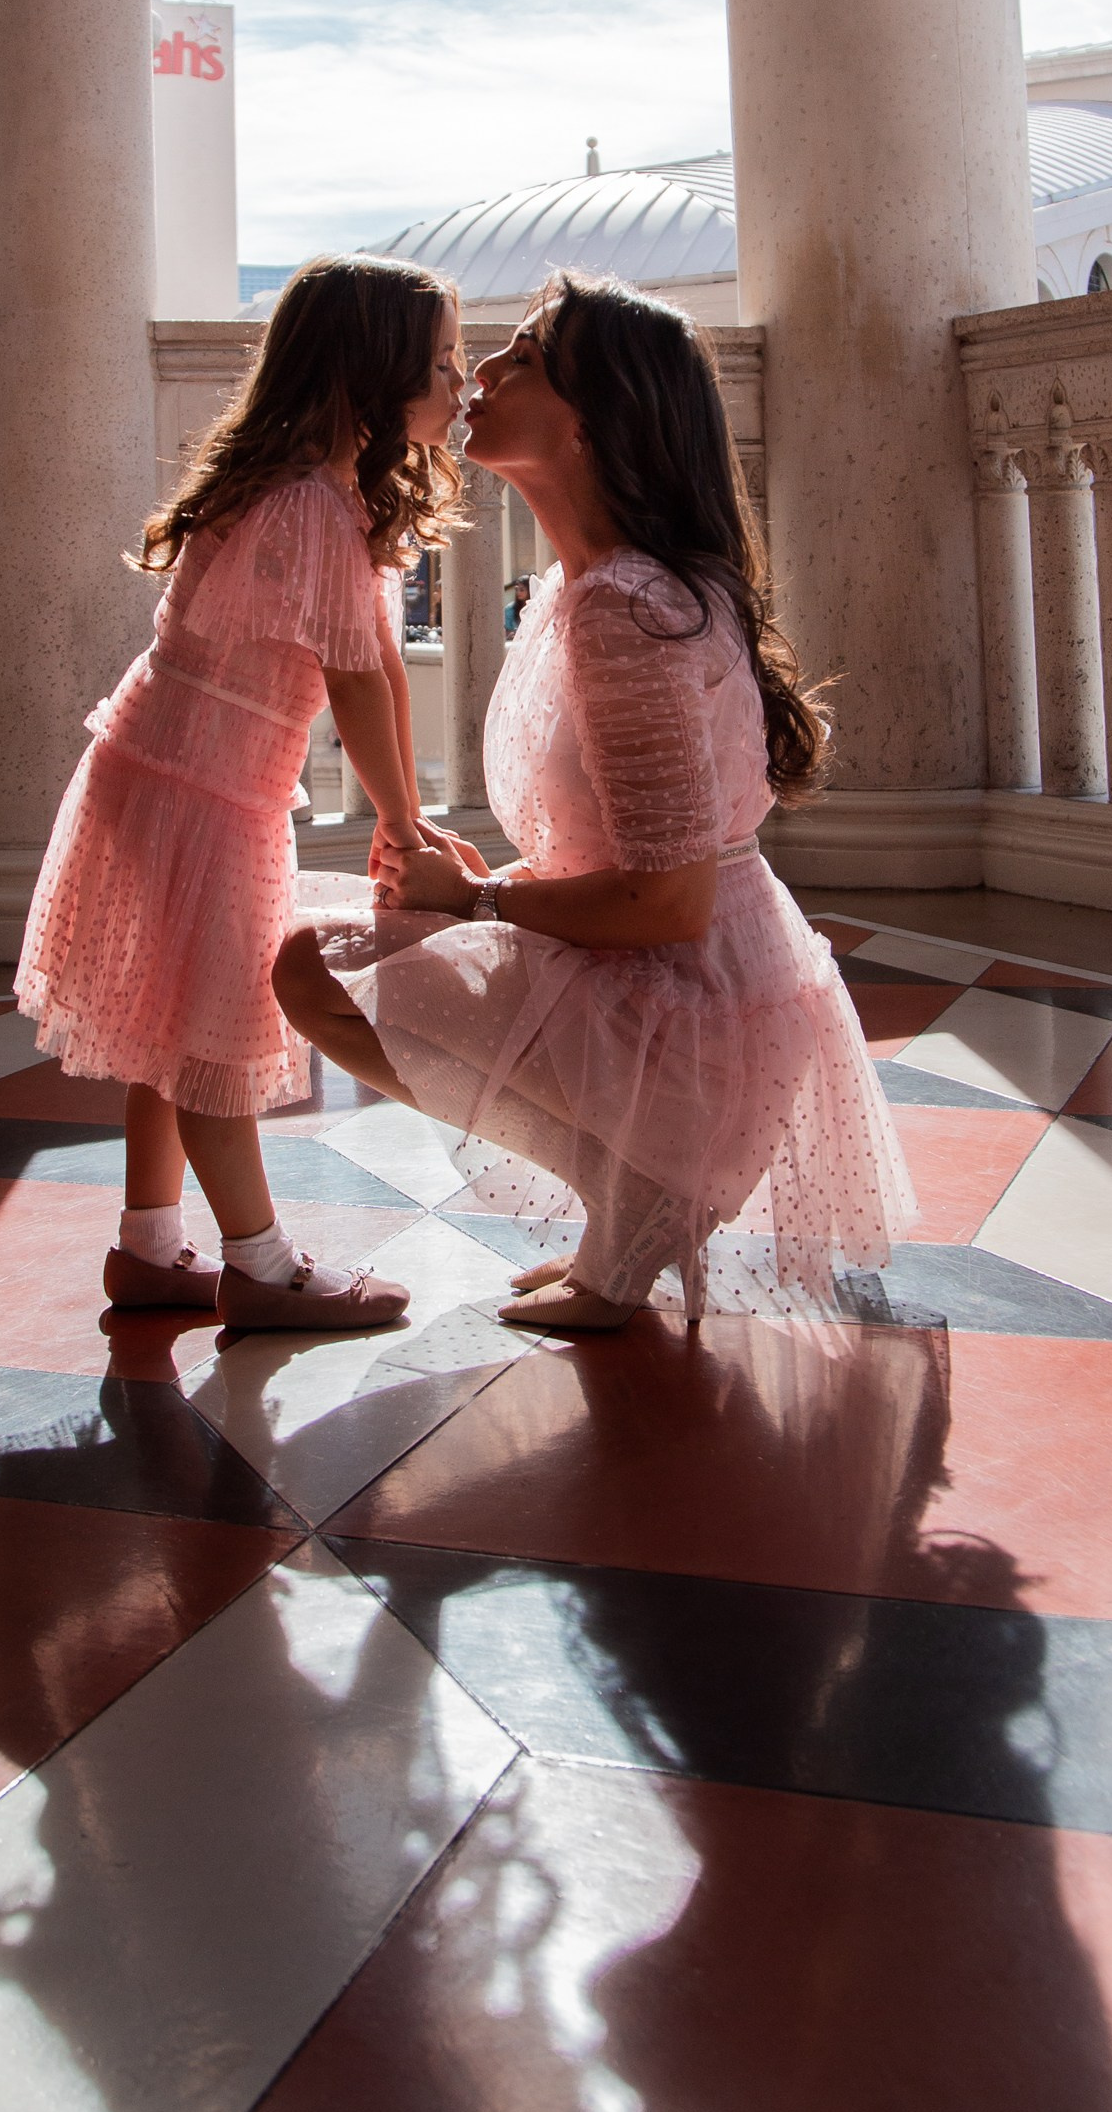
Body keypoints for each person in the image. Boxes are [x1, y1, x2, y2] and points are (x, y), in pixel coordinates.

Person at [273, 272, 914, 1333]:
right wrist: (487, 888)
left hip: (689, 1012)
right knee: (358, 934)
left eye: (522, 359)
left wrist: (477, 907)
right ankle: (632, 1198)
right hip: (682, 983)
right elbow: (627, 851)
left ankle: (650, 1191)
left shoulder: (624, 608)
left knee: (309, 964)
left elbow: (667, 906)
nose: (479, 372)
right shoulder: (594, 590)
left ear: (591, 422)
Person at [16, 256, 464, 1331]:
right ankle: (259, 1268)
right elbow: (355, 681)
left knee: (171, 1022)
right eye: (441, 362)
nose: (461, 383)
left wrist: (412, 816)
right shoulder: (310, 505)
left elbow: (380, 669)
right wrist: (399, 824)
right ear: (374, 372)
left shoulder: (319, 494)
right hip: (200, 793)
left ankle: (148, 1246)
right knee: (212, 1037)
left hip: (175, 776)